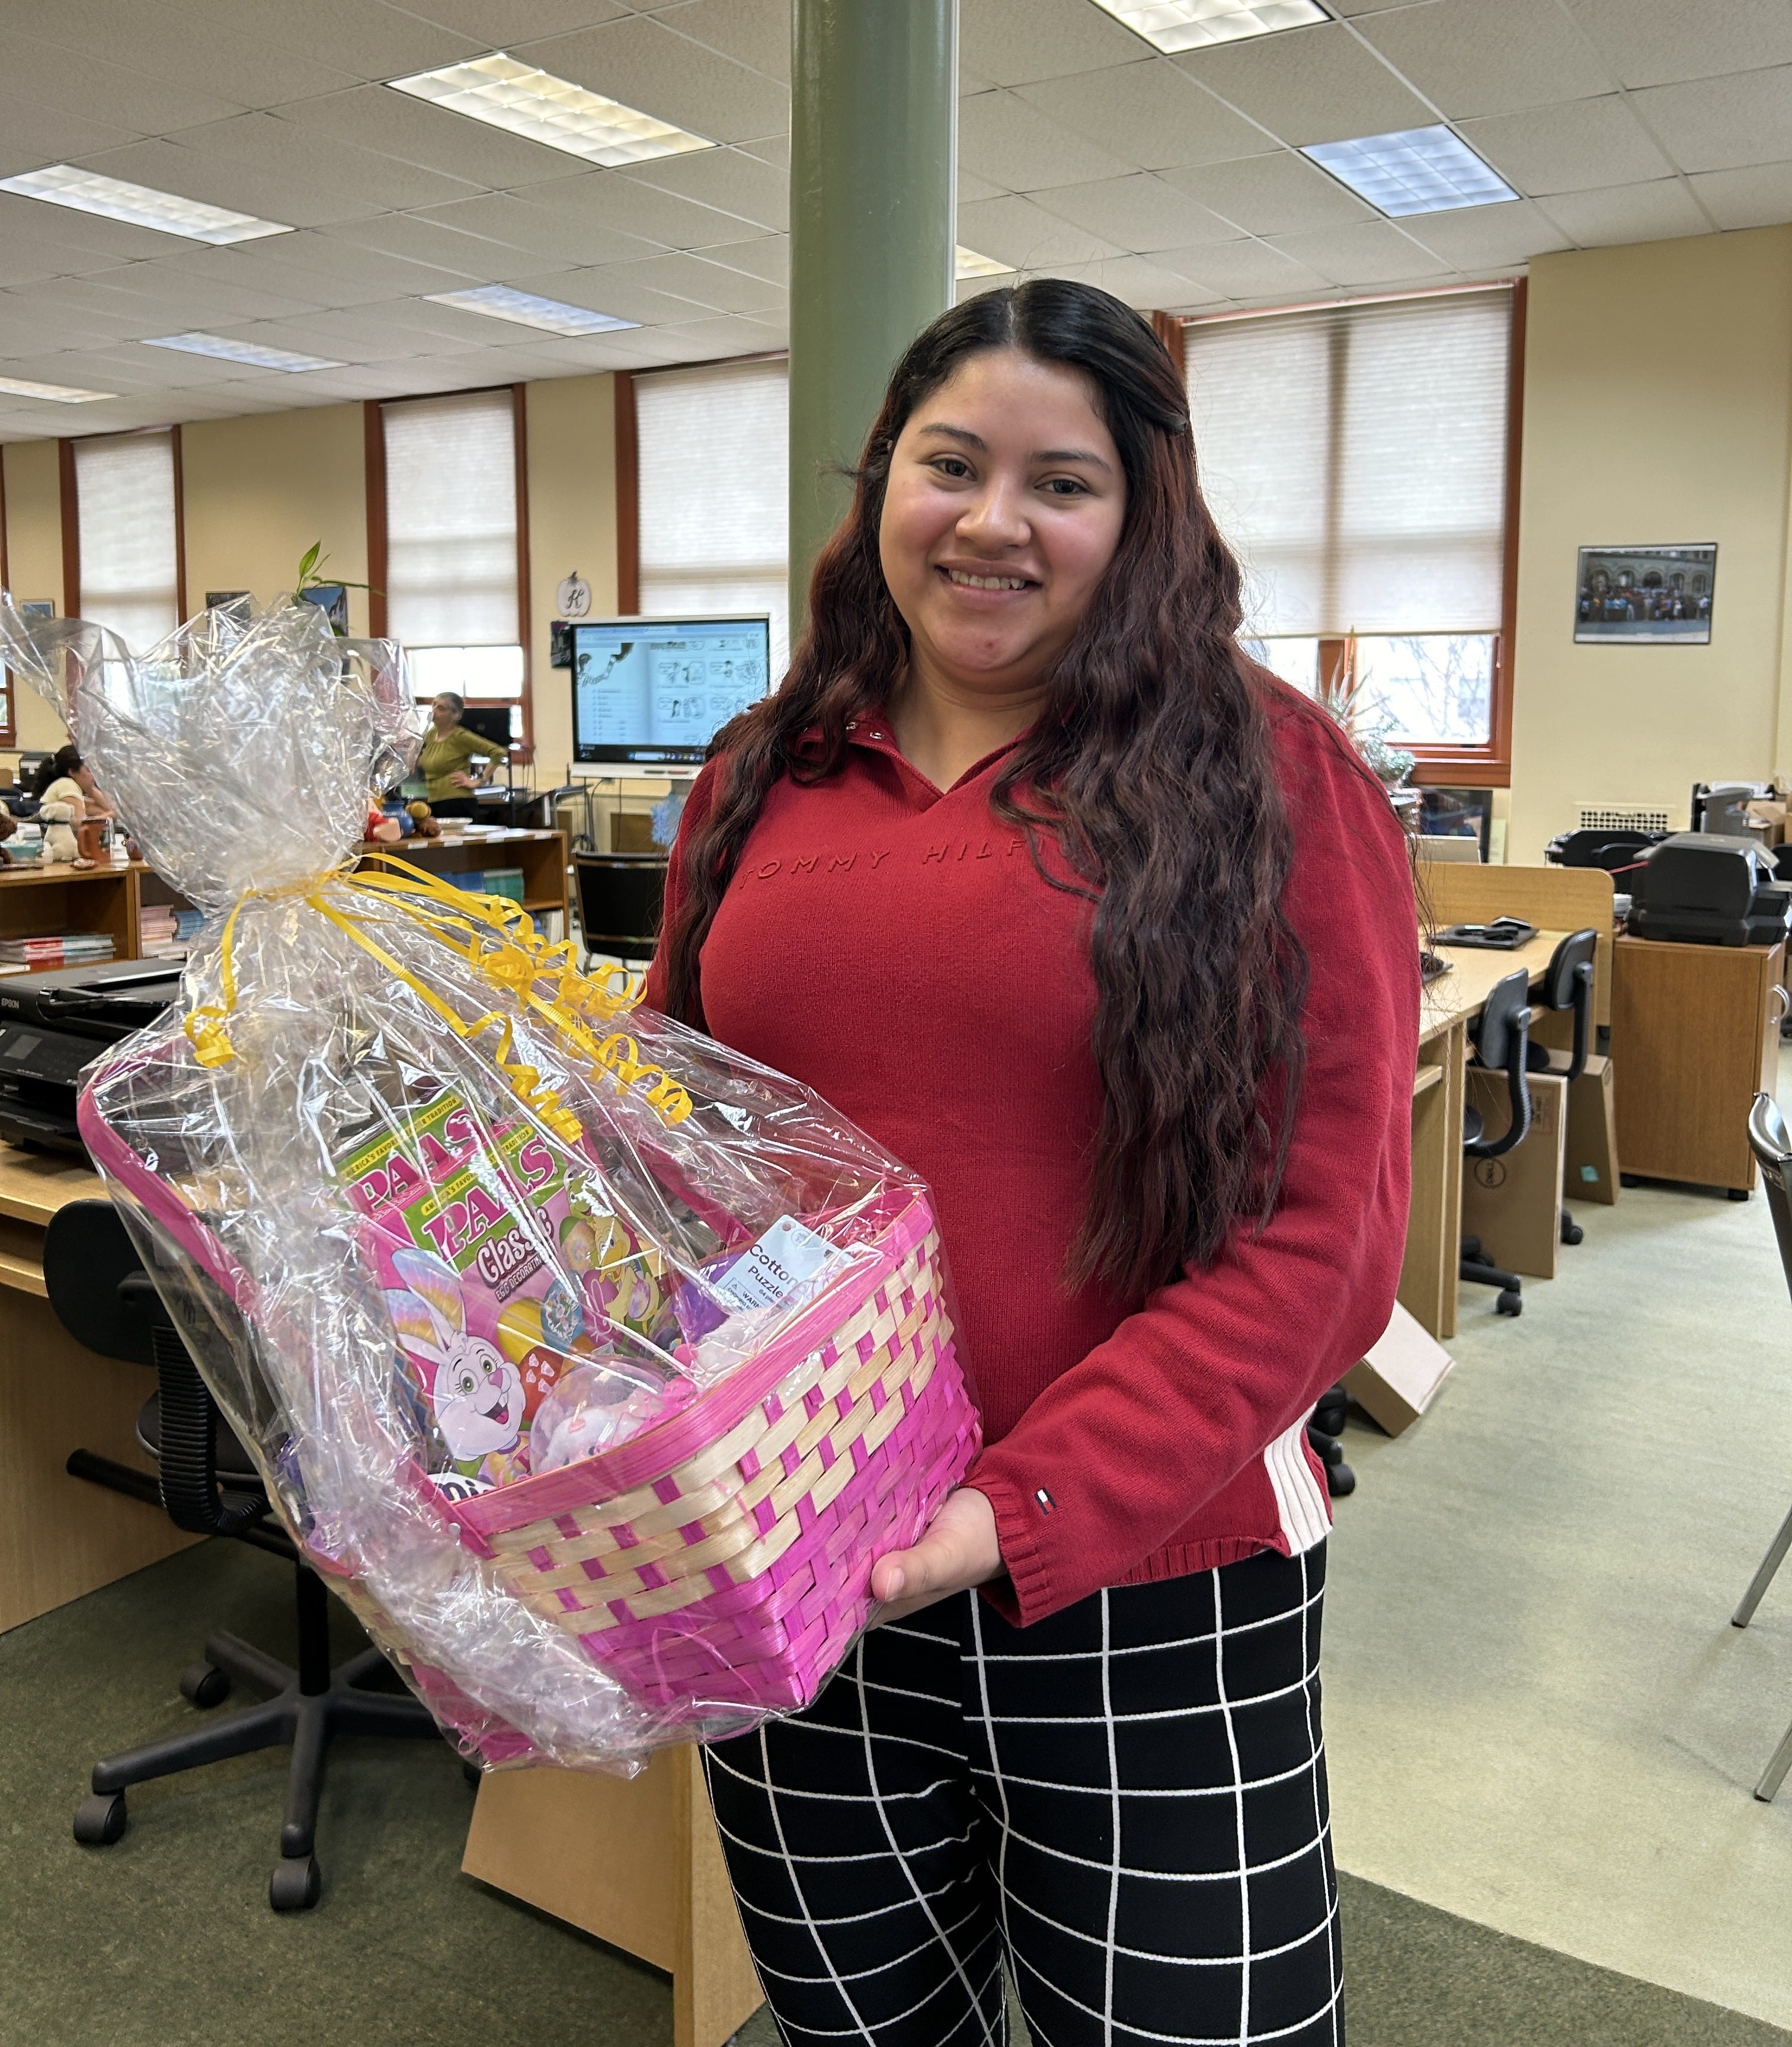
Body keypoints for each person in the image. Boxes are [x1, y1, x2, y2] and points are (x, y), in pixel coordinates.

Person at [645, 280, 1417, 2046]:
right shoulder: (763, 772)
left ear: (1141, 519)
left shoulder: (1268, 774)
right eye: (950, 463)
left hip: (1150, 1573)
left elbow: (1325, 1239)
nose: (994, 520)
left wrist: (1013, 1507)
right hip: (807, 1564)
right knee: (859, 2024)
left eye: (1061, 481)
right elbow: (675, 1128)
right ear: (881, 488)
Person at [418, 692, 499, 820]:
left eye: (441, 708)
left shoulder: (461, 737)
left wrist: (478, 782)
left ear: (456, 715)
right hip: (434, 801)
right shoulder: (431, 735)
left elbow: (498, 753)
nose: (434, 711)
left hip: (457, 802)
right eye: (434, 705)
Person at [30, 743, 113, 819]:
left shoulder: (70, 789)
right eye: (89, 769)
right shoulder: (67, 785)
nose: (94, 774)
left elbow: (109, 809)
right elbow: (81, 826)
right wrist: (111, 816)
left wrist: (91, 789)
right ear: (72, 772)